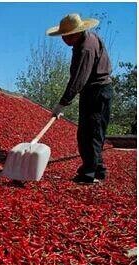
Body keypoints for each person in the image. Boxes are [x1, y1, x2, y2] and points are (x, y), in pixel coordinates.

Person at [47, 14, 113, 184]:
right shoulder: (89, 38)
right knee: (91, 132)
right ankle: (97, 170)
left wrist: (62, 103)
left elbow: (78, 79)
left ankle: (88, 174)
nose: (63, 39)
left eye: (65, 36)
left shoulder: (85, 48)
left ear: (76, 33)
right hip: (96, 90)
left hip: (97, 91)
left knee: (90, 133)